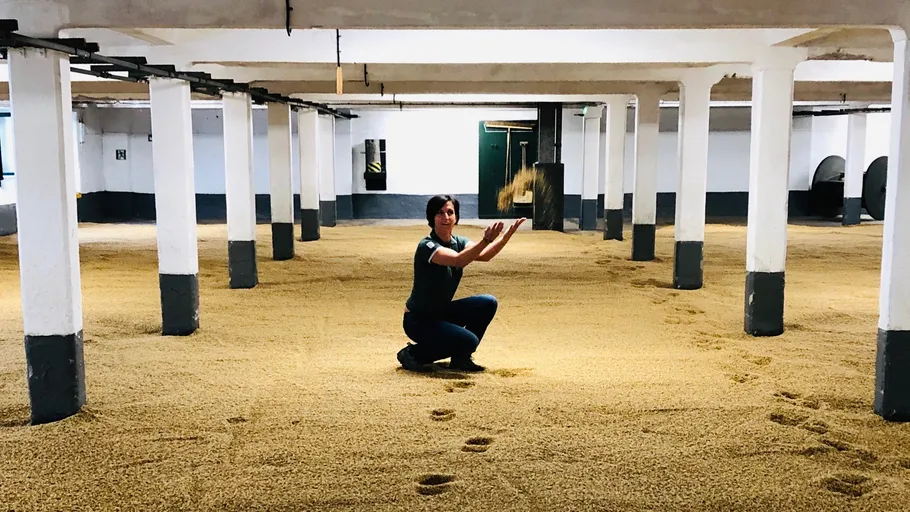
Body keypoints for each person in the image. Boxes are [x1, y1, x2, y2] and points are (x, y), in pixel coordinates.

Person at [397, 194, 525, 373]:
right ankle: (414, 353)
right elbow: (458, 260)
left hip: (440, 312)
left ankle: (461, 359)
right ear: (431, 218)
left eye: (450, 212)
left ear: (456, 217)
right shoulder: (427, 246)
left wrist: (504, 238)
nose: (446, 217)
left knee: (487, 302)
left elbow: (485, 255)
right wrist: (486, 240)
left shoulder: (459, 241)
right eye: (440, 213)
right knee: (469, 341)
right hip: (419, 320)